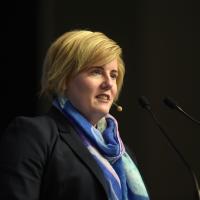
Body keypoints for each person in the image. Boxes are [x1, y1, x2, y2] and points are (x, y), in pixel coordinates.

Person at [0, 29, 150, 200]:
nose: (109, 83)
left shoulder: (122, 153)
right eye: (96, 71)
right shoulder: (34, 135)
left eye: (113, 75)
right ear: (64, 78)